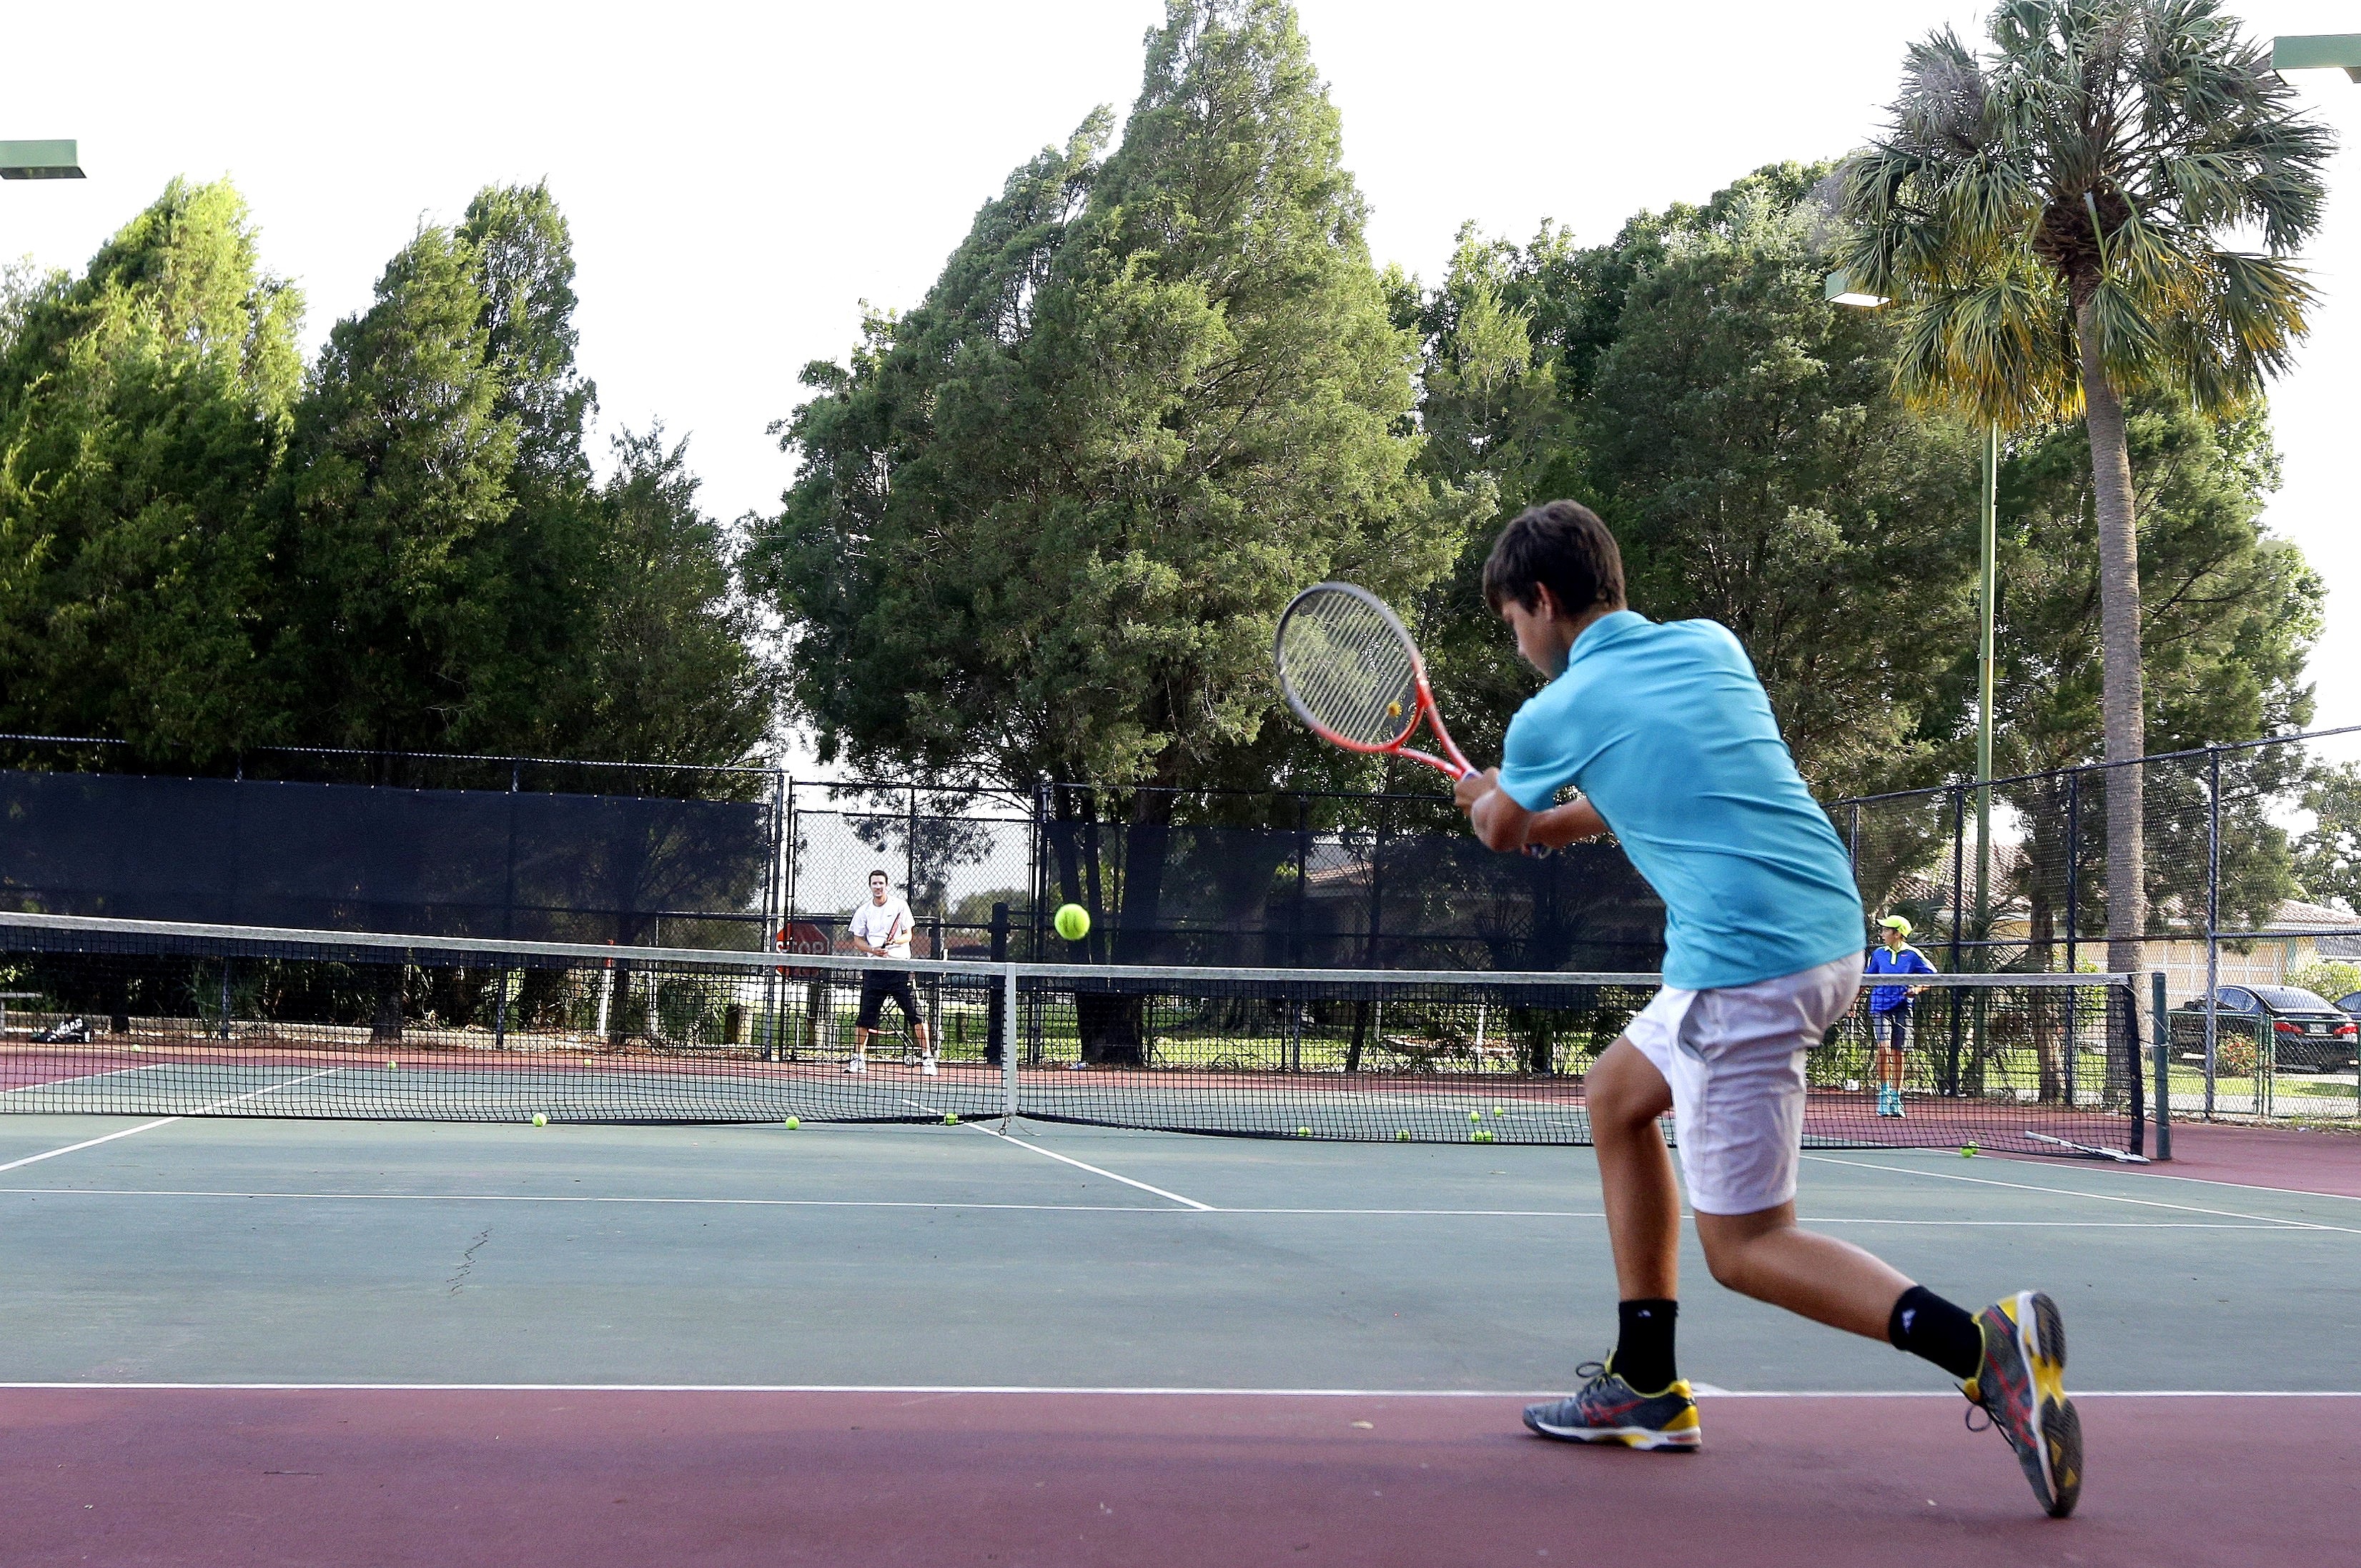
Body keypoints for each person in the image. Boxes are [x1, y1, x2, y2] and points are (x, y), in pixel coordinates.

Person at [1452, 500, 2080, 1518]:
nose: (1515, 641)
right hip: (1822, 929)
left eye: (1510, 620)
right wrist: (1540, 823)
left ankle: (1979, 1347)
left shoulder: (1552, 711)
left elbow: (1494, 826)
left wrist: (1490, 797)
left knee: (1745, 1247)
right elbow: (1633, 785)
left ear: (1540, 599)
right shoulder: (1707, 645)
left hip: (1742, 967)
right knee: (1614, 1094)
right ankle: (1645, 1385)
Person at [845, 870, 934, 1076]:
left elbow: (908, 935)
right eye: (874, 884)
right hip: (875, 970)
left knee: (916, 1014)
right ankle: (858, 1059)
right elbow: (858, 940)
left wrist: (895, 941)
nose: (878, 887)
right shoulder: (864, 911)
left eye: (881, 883)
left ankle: (928, 1058)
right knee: (865, 1017)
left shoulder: (899, 906)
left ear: (887, 885)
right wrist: (873, 950)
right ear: (870, 886)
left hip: (900, 969)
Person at [1866, 916, 1935, 1116]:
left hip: (1903, 1007)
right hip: (1880, 1006)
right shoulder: (1879, 954)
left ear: (1898, 934)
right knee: (1883, 1050)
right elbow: (1866, 978)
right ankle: (1884, 1094)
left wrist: (1918, 988)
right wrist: (1852, 1001)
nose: (1882, 933)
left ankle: (1896, 1097)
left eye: (1886, 930)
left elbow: (1933, 977)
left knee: (1898, 1053)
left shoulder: (1913, 955)